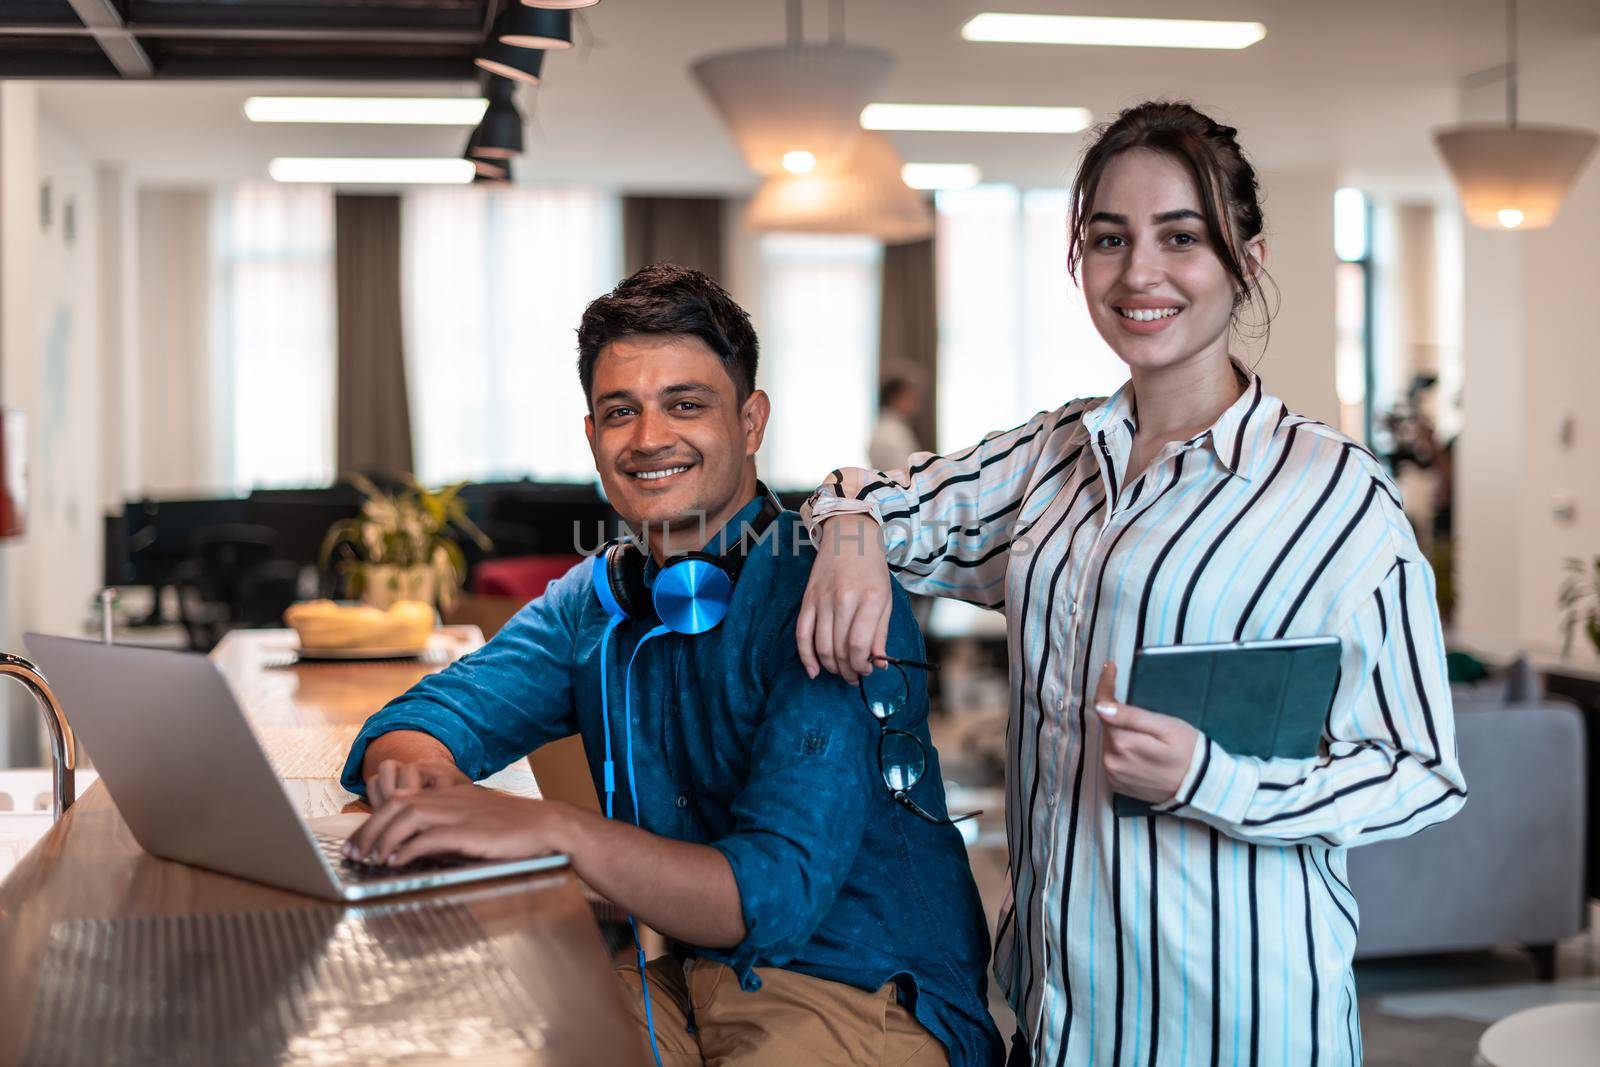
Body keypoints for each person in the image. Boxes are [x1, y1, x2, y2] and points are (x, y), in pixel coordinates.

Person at [794, 102, 1466, 1067]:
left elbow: (1421, 771)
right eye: (1109, 239)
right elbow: (869, 498)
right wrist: (853, 531)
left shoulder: (1335, 496)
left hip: (1239, 1024)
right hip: (1060, 1018)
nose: (1139, 273)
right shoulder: (1050, 458)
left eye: (1180, 237)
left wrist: (1213, 779)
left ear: (1248, 258)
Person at [340, 264, 1003, 1067]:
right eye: (622, 412)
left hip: (852, 992)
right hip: (683, 978)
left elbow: (770, 896)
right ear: (592, 437)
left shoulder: (827, 587)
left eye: (685, 404)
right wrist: (417, 784)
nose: (650, 438)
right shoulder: (602, 595)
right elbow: (418, 721)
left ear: (751, 421)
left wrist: (548, 828)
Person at [869, 376, 925, 471]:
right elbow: (905, 477)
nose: (916, 402)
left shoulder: (888, 429)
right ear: (895, 398)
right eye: (910, 396)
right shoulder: (893, 434)